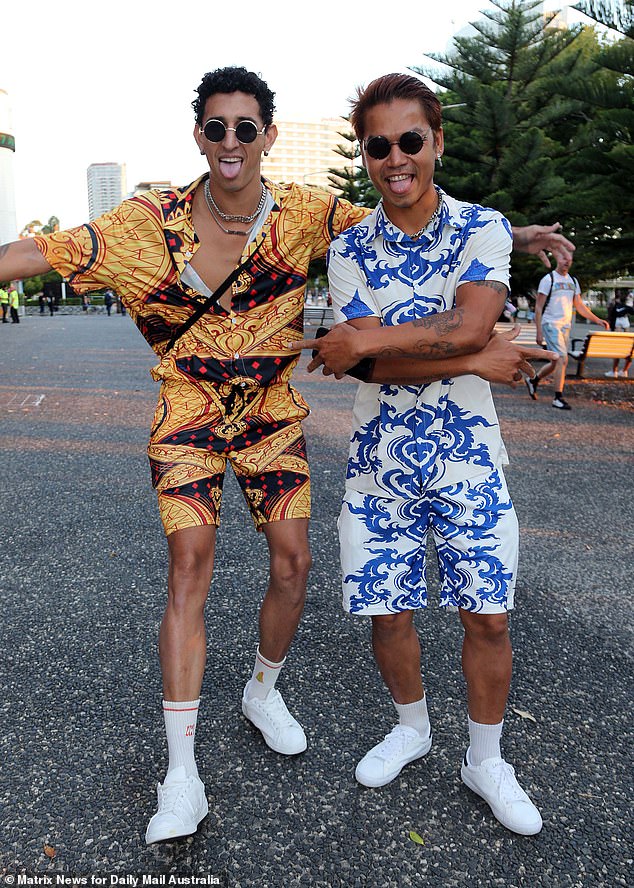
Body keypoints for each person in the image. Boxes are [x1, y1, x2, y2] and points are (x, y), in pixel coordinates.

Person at [0, 65, 570, 846]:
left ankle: (263, 692)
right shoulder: (142, 222)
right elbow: (34, 254)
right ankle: (182, 776)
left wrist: (519, 233)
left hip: (273, 415)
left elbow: (412, 206)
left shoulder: (307, 214)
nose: (231, 142)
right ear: (199, 135)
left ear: (268, 136)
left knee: (294, 564)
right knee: (189, 566)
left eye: (246, 128)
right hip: (190, 412)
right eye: (216, 128)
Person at [293, 73, 555, 836]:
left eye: (411, 140)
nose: (396, 158)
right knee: (389, 612)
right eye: (379, 145)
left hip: (470, 459)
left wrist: (371, 337)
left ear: (436, 142)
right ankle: (412, 729)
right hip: (378, 465)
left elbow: (466, 325)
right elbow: (369, 369)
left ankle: (484, 759)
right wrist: (470, 360)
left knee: (490, 620)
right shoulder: (349, 249)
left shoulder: (483, 227)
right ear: (367, 154)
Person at [524, 257, 609, 409]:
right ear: (557, 259)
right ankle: (558, 398)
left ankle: (533, 381)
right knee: (562, 359)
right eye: (563, 259)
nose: (566, 262)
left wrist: (597, 320)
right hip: (550, 324)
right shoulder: (548, 279)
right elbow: (538, 307)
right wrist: (539, 331)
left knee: (556, 361)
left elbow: (579, 306)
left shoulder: (573, 281)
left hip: (565, 326)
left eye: (569, 259)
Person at [605, 290, 634, 378]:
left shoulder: (616, 306)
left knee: (617, 349)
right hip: (626, 329)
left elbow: (612, 314)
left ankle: (614, 371)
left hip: (617, 329)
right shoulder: (627, 307)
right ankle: (624, 371)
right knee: (629, 350)